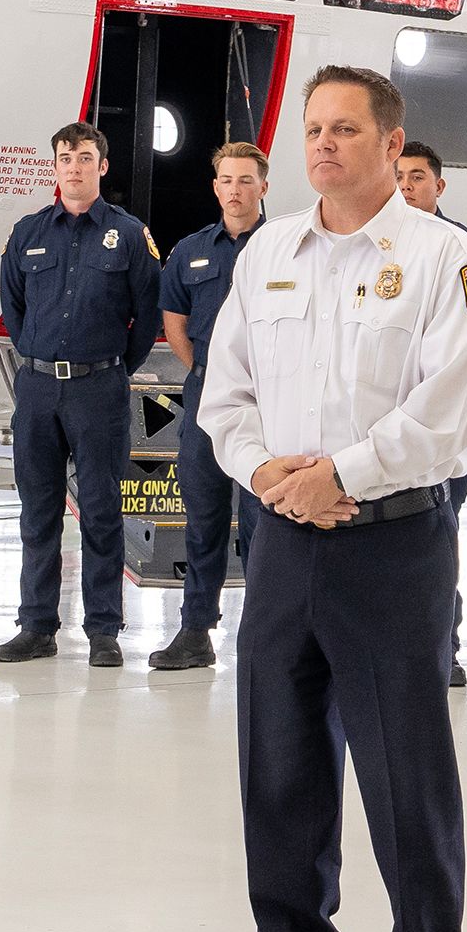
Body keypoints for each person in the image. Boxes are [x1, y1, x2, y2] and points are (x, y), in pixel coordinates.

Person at [199, 66, 467, 932]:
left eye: (343, 129)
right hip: (284, 539)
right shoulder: (268, 254)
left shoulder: (440, 258)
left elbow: (453, 407)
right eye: (312, 129)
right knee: (278, 762)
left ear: (389, 140)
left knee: (402, 771)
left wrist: (346, 475)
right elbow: (224, 399)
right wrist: (271, 476)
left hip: (391, 545)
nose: (322, 145)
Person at [0, 123, 162, 669]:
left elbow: (146, 316)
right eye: (66, 158)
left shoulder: (130, 235)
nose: (74, 167)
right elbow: (14, 311)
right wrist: (40, 359)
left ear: (102, 167)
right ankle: (37, 626)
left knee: (101, 510)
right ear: (55, 166)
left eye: (85, 158)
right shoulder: (27, 232)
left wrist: (110, 366)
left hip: (98, 389)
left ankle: (104, 631)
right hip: (39, 389)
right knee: (37, 511)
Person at [152, 141, 268, 672]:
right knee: (203, 517)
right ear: (215, 186)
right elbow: (174, 321)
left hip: (269, 399)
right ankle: (195, 631)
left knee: (265, 518)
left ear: (263, 186)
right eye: (227, 180)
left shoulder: (286, 246)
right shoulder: (189, 250)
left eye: (246, 180)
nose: (235, 190)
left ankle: (268, 638)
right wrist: (206, 368)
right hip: (205, 397)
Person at [402, 137, 467, 687]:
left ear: (439, 185)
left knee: (439, 541)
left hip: (441, 434)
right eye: (399, 176)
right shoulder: (376, 244)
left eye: (417, 177)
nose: (406, 186)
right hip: (383, 428)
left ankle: (447, 649)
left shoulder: (465, 249)